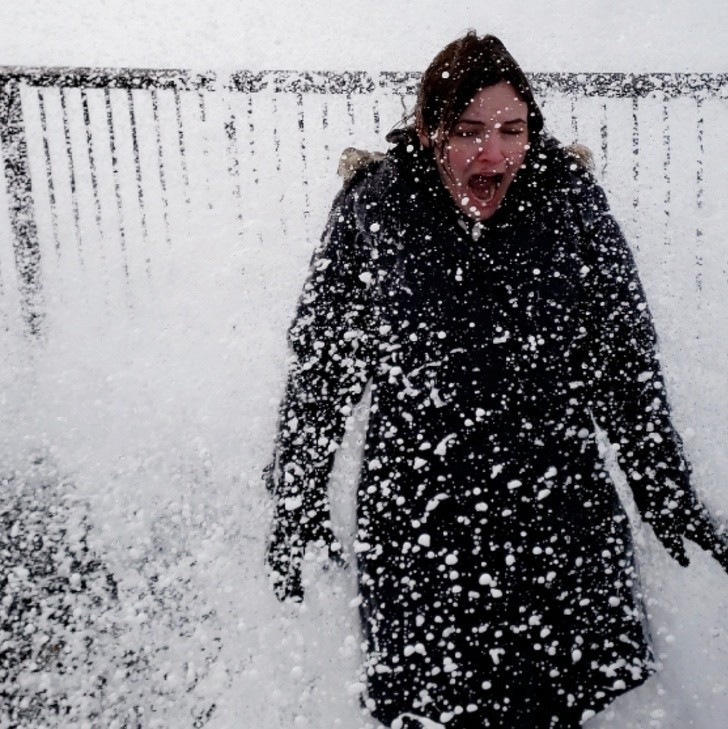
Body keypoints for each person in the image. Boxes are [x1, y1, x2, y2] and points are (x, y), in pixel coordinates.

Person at [264, 32, 728, 729]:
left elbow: (625, 365)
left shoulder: (571, 203)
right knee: (435, 710)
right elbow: (324, 366)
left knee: (555, 708)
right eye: (470, 131)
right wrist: (297, 491)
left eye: (512, 130)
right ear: (428, 131)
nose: (493, 153)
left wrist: (662, 486)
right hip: (421, 523)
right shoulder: (375, 208)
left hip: (553, 514)